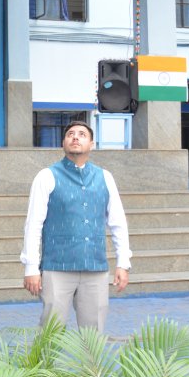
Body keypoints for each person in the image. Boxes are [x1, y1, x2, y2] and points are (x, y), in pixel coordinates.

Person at [20, 121, 132, 331]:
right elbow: (33, 224)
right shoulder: (46, 176)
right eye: (70, 134)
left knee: (93, 336)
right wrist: (31, 267)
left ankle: (90, 367)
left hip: (95, 268)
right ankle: (48, 366)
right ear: (63, 142)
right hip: (57, 268)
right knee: (50, 334)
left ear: (91, 144)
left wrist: (123, 263)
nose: (75, 137)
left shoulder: (105, 177)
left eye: (82, 134)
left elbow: (118, 223)